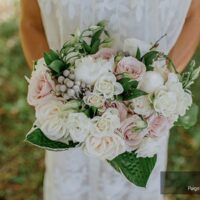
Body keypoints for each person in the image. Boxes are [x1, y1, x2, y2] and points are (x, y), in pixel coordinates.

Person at [20, 0, 200, 200]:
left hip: (142, 119)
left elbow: (194, 15)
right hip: (69, 120)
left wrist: (160, 86)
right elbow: (32, 23)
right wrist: (56, 93)